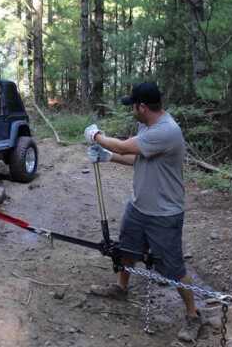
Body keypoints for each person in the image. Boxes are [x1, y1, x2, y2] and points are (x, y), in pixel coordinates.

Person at [84, 82, 202, 342]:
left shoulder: (167, 131)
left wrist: (96, 136)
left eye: (133, 106)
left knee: (173, 268)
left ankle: (193, 315)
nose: (131, 111)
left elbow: (125, 146)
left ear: (143, 106)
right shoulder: (147, 126)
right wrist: (107, 157)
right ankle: (121, 288)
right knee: (126, 252)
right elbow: (136, 156)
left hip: (164, 213)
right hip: (138, 207)